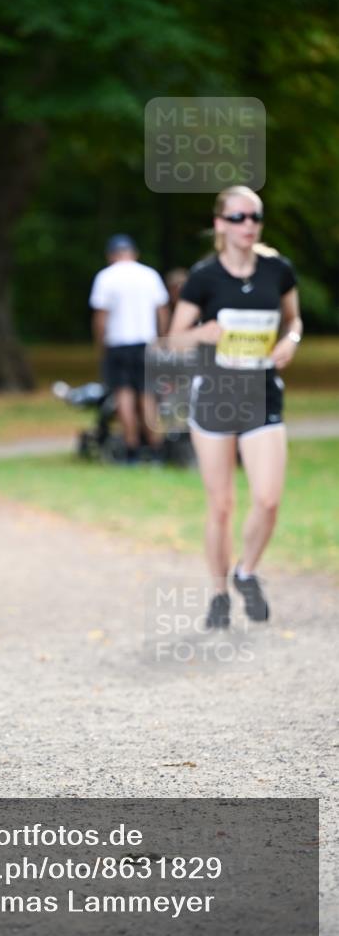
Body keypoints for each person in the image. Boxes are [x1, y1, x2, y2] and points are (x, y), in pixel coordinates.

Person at [167, 186, 302, 628]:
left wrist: (290, 341)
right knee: (221, 504)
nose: (249, 225)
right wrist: (202, 333)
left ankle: (246, 572)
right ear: (221, 224)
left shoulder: (277, 270)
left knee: (267, 499)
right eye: (240, 217)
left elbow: (294, 319)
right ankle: (220, 594)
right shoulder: (204, 277)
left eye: (255, 216)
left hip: (263, 394)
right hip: (215, 399)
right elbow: (174, 338)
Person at [89, 234, 170, 463]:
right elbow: (162, 311)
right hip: (146, 342)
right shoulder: (149, 275)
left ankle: (131, 448)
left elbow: (100, 317)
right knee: (148, 396)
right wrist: (162, 339)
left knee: (124, 396)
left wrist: (100, 344)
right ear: (134, 253)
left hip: (118, 343)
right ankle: (154, 449)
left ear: (111, 255)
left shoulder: (105, 278)